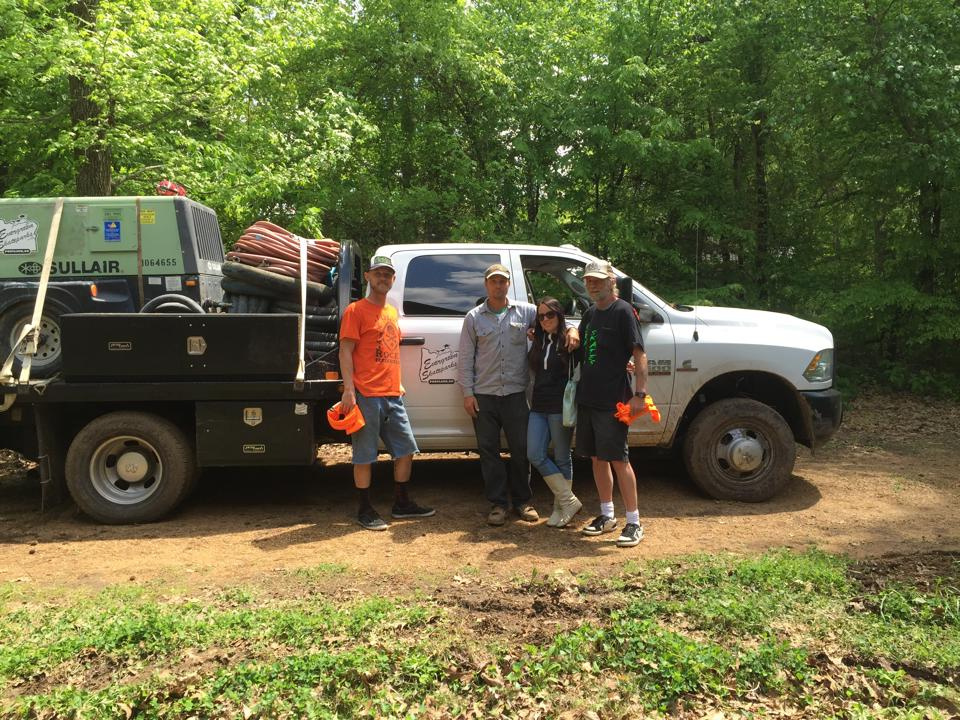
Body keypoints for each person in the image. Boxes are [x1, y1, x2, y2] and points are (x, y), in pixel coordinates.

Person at [458, 263, 579, 526]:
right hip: (484, 394)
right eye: (494, 281)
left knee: (521, 451)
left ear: (508, 284)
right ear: (486, 284)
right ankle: (498, 504)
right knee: (488, 451)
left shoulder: (525, 312)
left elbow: (554, 321)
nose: (498, 285)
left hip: (516, 394)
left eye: (502, 281)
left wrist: (572, 328)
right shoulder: (473, 317)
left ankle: (524, 501)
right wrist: (468, 393)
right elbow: (465, 359)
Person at [339, 255, 434, 531]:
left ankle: (401, 503)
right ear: (368, 277)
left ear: (393, 280)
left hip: (393, 394)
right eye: (378, 273)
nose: (383, 278)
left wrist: (398, 382)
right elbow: (346, 351)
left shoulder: (391, 312)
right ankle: (364, 508)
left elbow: (388, 350)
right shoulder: (356, 311)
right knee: (365, 455)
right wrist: (349, 390)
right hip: (365, 394)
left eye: (388, 274)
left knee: (406, 450)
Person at [576, 260, 648, 547]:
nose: (592, 284)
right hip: (588, 398)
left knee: (619, 459)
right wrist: (571, 333)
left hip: (613, 400)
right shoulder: (591, 313)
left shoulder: (623, 311)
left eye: (597, 280)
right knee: (596, 458)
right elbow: (579, 340)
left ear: (611, 281)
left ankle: (634, 522)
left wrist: (639, 395)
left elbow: (639, 353)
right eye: (588, 281)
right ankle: (607, 515)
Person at [527, 296, 582, 528]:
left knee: (561, 457)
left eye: (550, 315)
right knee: (535, 454)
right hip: (538, 406)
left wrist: (572, 329)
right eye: (541, 316)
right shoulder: (539, 339)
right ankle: (568, 501)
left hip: (561, 406)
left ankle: (561, 509)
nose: (546, 319)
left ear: (560, 316)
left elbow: (589, 355)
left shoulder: (570, 340)